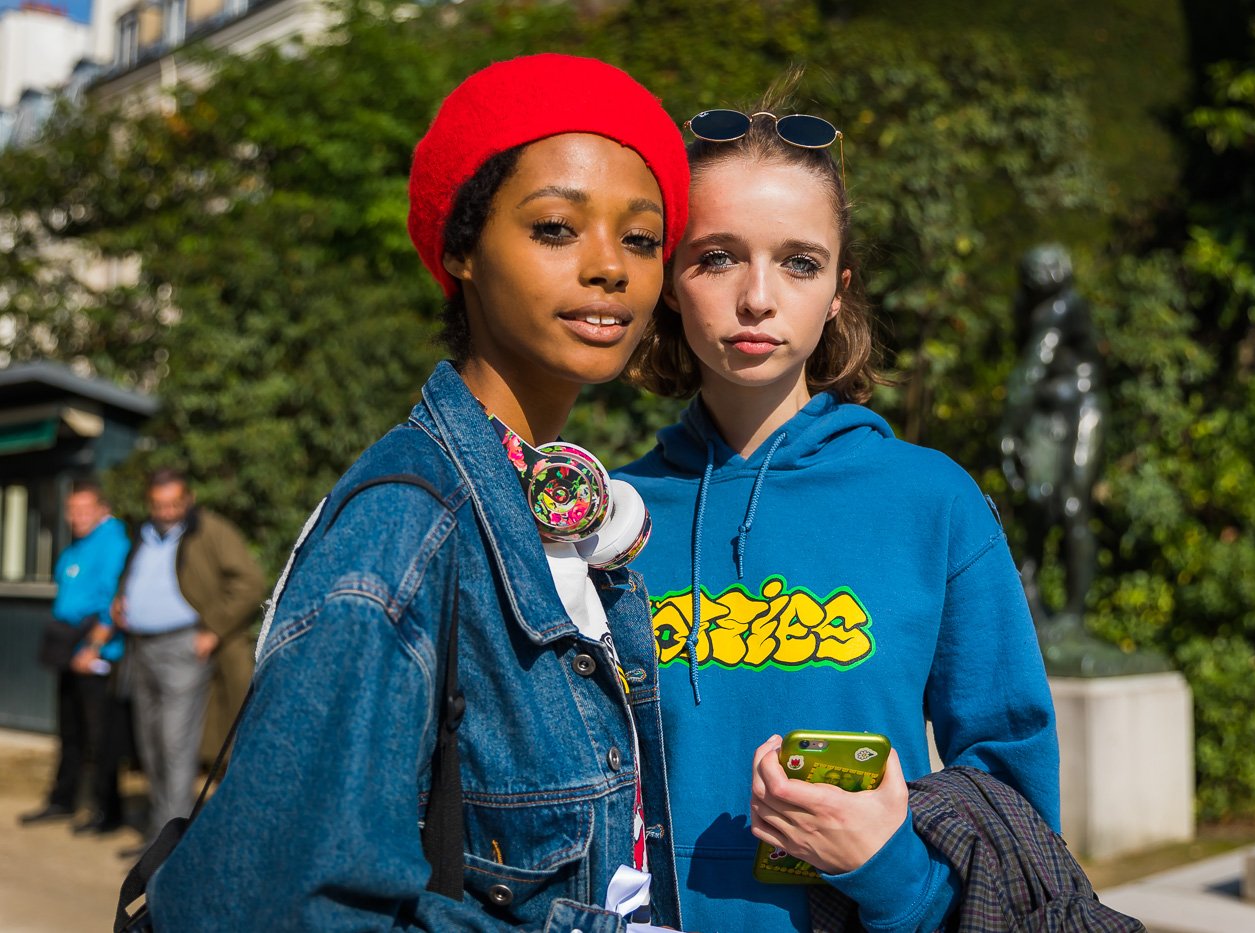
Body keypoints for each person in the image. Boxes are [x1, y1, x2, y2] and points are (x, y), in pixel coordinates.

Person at [145, 54, 691, 931]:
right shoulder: (408, 525)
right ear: (460, 249)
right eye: (556, 227)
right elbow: (255, 904)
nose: (609, 268)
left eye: (641, 238)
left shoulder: (549, 509)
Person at [617, 88, 1061, 933]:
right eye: (716, 257)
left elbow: (1017, 818)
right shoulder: (610, 520)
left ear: (837, 292)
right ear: (670, 281)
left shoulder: (932, 504)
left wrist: (898, 883)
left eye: (798, 261)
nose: (756, 296)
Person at [110, 467, 264, 848]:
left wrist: (213, 628)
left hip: (183, 647)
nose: (167, 511)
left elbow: (251, 583)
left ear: (189, 498)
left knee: (175, 744)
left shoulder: (210, 530)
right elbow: (137, 577)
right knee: (149, 743)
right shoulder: (143, 532)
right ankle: (157, 829)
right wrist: (121, 600)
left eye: (174, 503)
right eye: (159, 504)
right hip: (141, 648)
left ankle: (168, 842)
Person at [19, 480, 130, 834]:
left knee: (100, 734)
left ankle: (106, 811)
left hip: (95, 651)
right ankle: (62, 800)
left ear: (102, 508)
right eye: (72, 510)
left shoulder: (114, 542)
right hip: (66, 646)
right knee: (69, 730)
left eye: (84, 509)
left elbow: (115, 602)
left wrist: (93, 648)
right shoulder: (78, 546)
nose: (76, 517)